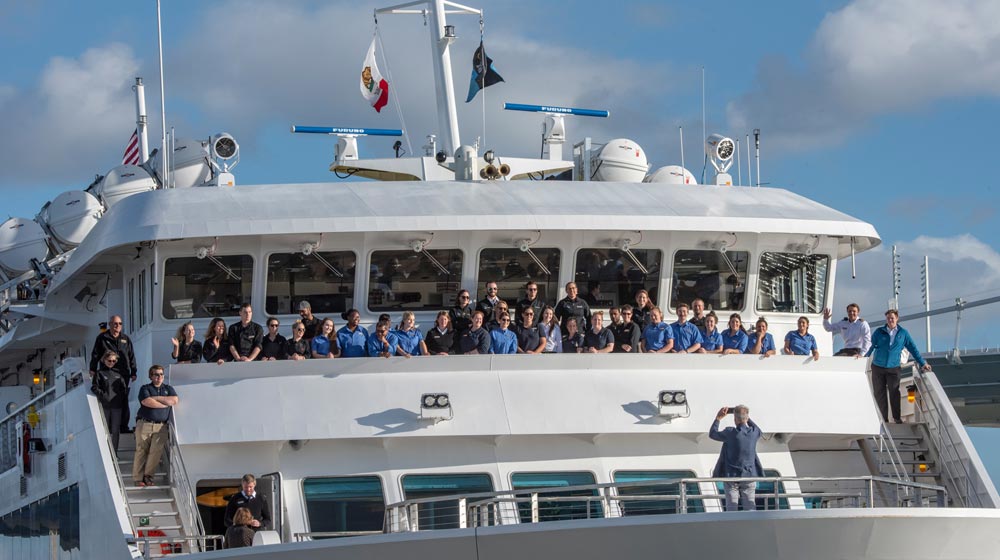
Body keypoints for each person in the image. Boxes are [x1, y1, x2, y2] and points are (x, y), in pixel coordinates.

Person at [865, 309, 931, 424]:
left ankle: (896, 418)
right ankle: (883, 419)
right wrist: (863, 358)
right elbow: (870, 347)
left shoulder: (903, 333)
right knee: (879, 393)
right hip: (878, 367)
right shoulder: (879, 332)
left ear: (897, 318)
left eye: (892, 318)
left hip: (893, 368)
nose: (890, 320)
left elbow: (913, 349)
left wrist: (923, 363)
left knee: (894, 392)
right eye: (888, 318)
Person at [710, 405, 764, 512]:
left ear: (735, 419)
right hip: (748, 474)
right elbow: (760, 431)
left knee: (731, 507)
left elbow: (712, 434)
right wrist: (746, 417)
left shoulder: (730, 433)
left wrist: (718, 418)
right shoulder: (754, 433)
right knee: (750, 506)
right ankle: (752, 525)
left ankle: (732, 526)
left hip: (731, 476)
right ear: (747, 418)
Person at [89, 315, 137, 434]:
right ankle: (109, 426)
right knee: (108, 398)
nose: (118, 326)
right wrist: (92, 368)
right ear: (110, 324)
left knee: (123, 399)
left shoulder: (126, 339)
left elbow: (131, 356)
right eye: (115, 323)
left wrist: (134, 371)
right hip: (107, 372)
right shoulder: (102, 338)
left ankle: (123, 426)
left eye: (120, 323)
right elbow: (95, 354)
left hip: (123, 373)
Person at [133, 365, 178, 487]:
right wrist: (164, 404)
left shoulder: (169, 388)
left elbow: (174, 401)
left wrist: (157, 398)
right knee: (141, 451)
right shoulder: (145, 388)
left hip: (161, 427)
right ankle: (138, 478)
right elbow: (147, 402)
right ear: (150, 376)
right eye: (156, 374)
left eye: (161, 374)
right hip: (145, 424)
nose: (159, 377)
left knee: (156, 453)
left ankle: (148, 477)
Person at [91, 351, 128, 453]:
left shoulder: (118, 374)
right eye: (109, 360)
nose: (111, 362)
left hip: (117, 406)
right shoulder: (99, 373)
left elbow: (123, 389)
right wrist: (104, 396)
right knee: (105, 430)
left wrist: (119, 398)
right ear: (104, 360)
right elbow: (94, 387)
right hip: (105, 406)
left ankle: (114, 452)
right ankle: (105, 452)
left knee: (116, 431)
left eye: (114, 361)